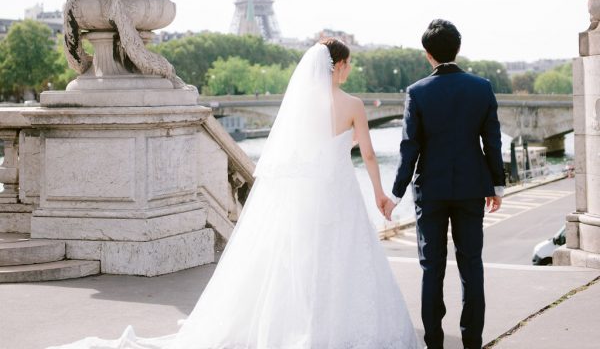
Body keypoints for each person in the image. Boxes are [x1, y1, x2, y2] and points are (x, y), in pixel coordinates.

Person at [48, 38, 419, 349]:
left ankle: (297, 323)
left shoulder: (303, 110)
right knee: (344, 257)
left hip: (307, 194)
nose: (350, 70)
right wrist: (379, 195)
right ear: (338, 66)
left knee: (302, 260)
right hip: (339, 191)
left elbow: (298, 154)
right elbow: (367, 154)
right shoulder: (353, 105)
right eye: (348, 63)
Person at [385, 20, 504, 349]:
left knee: (431, 268)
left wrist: (395, 194)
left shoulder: (417, 92)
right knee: (471, 266)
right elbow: (492, 142)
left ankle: (434, 343)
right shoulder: (481, 87)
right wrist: (497, 186)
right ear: (458, 49)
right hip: (470, 188)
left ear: (427, 55)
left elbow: (410, 148)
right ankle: (471, 342)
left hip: (431, 191)